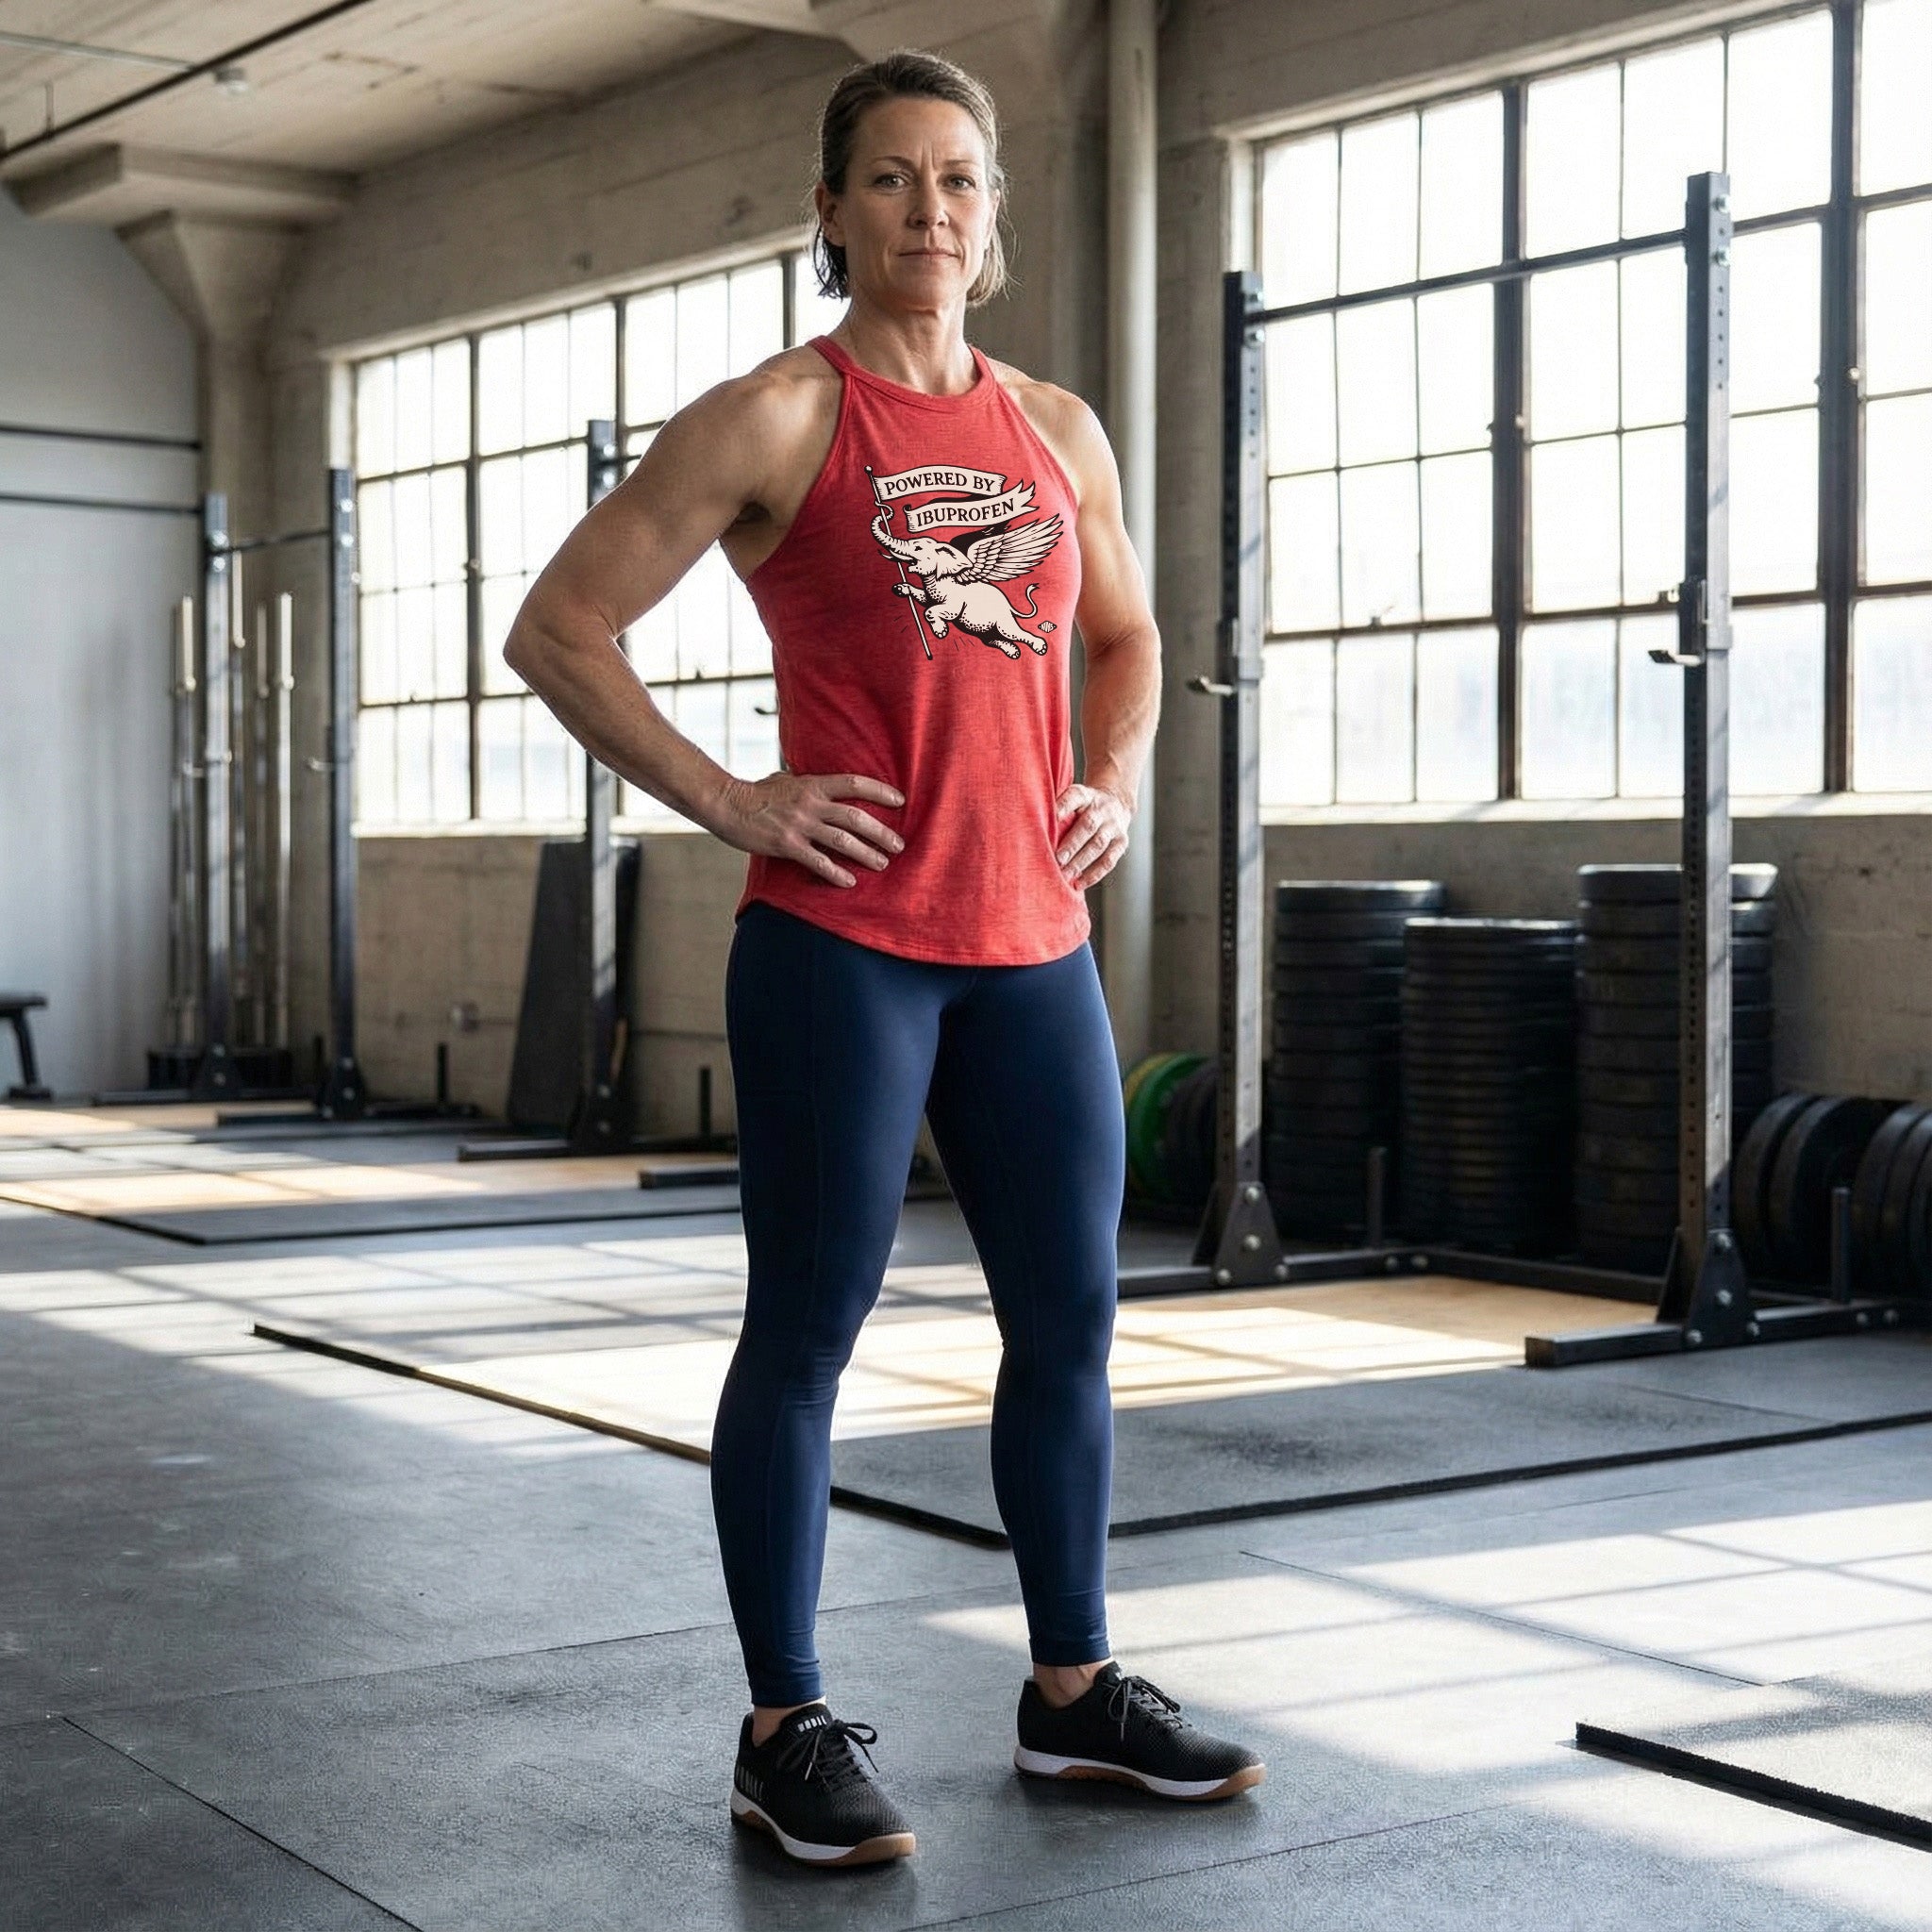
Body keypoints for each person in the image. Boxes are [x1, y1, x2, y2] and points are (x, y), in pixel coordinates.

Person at [504, 46, 1264, 1871]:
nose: (932, 208)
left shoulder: (1057, 428)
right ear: (834, 211)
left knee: (1068, 1327)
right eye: (895, 178)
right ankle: (783, 1728)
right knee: (807, 1332)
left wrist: (1111, 781)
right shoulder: (778, 416)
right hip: (843, 943)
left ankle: (1072, 1692)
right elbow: (560, 626)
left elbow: (1130, 639)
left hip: (1032, 947)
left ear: (993, 218)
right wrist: (734, 799)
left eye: (961, 178)